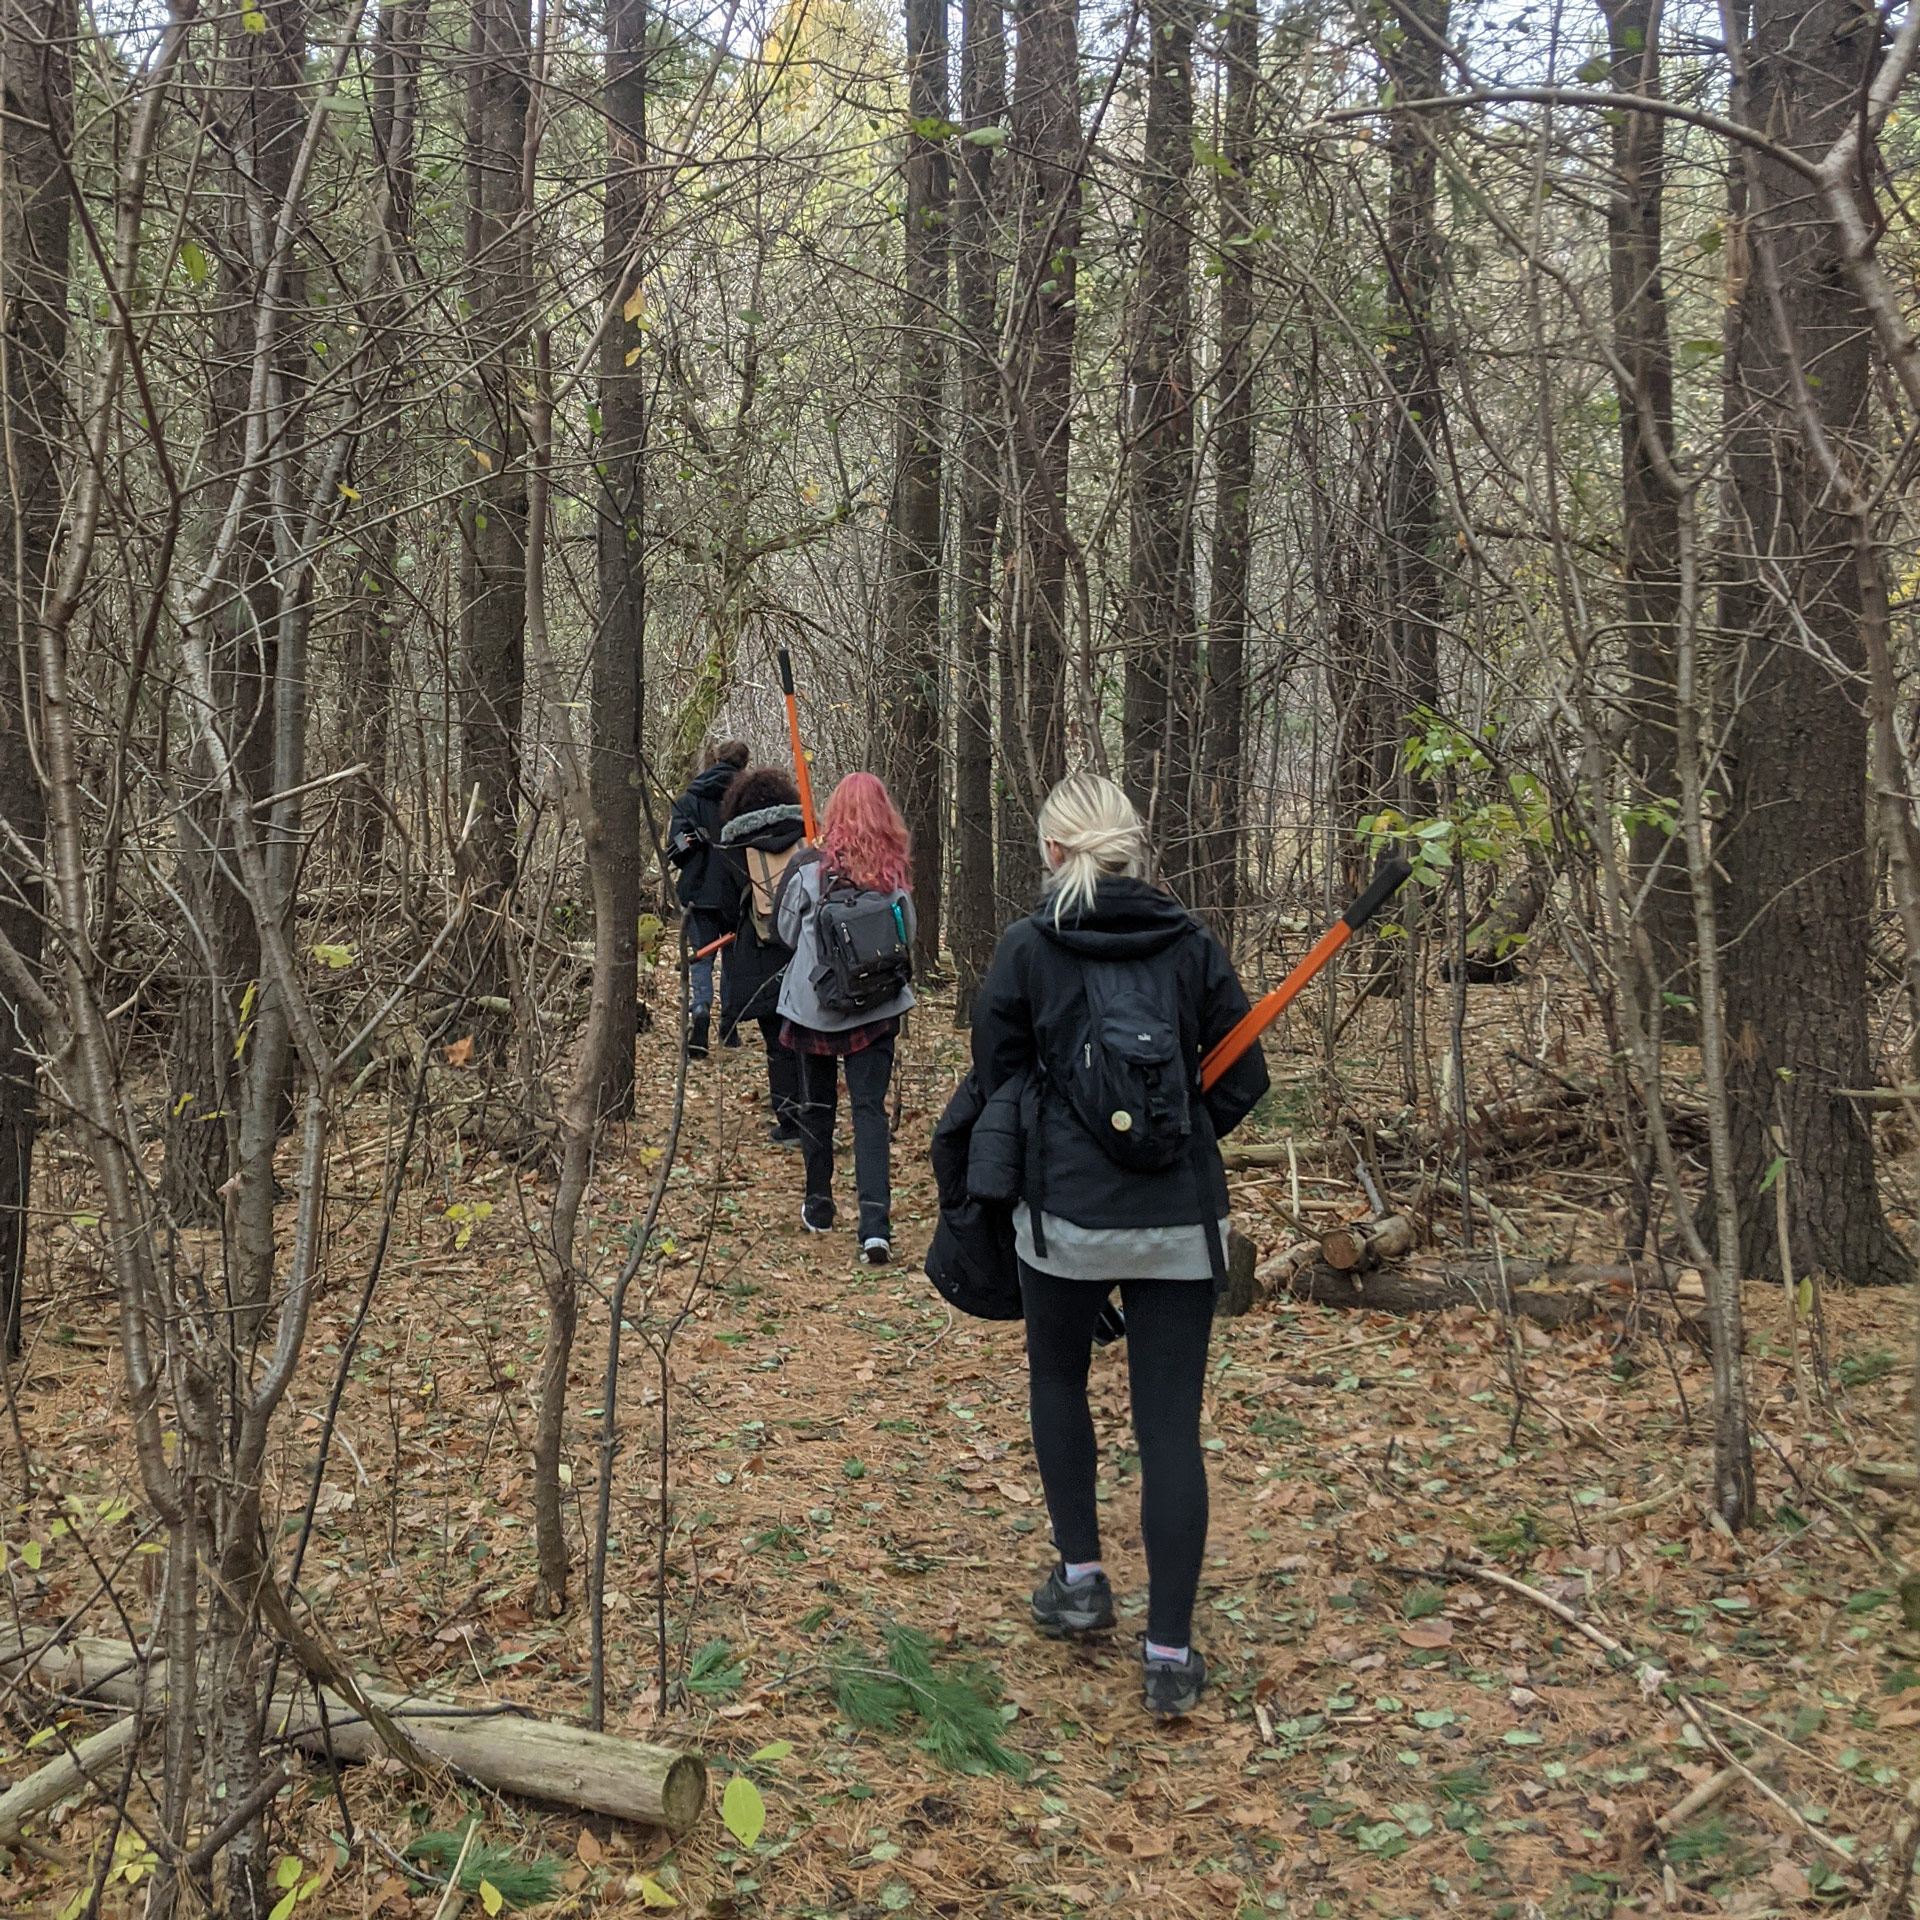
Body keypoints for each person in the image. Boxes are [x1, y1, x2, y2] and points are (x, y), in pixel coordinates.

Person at [968, 770, 1269, 1719]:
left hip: (1066, 1224)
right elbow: (1244, 1077)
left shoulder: (1028, 949)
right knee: (1169, 1428)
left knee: (1058, 1380)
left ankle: (1081, 1582)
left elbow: (997, 1074)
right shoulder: (1191, 945)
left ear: (1053, 851)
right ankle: (1170, 1654)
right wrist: (1176, 1136)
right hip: (1180, 1224)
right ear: (1133, 849)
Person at [775, 771, 916, 1265]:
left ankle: (819, 1205)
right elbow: (908, 935)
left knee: (816, 1107)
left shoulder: (807, 869)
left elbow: (785, 932)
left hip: (814, 1007)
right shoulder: (891, 874)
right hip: (876, 1008)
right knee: (869, 1111)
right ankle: (875, 1227)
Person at [717, 765, 808, 1144]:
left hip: (761, 955)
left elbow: (726, 909)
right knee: (809, 1037)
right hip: (805, 950)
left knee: (777, 1043)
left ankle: (789, 1123)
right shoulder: (807, 835)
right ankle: (816, 1115)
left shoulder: (733, 847)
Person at [667, 740, 749, 1057]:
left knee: (702, 957)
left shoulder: (689, 799)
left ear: (715, 760)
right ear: (744, 765)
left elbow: (675, 851)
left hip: (699, 892)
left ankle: (700, 1009)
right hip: (738, 891)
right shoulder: (750, 800)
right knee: (733, 958)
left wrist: (692, 839)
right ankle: (729, 1025)